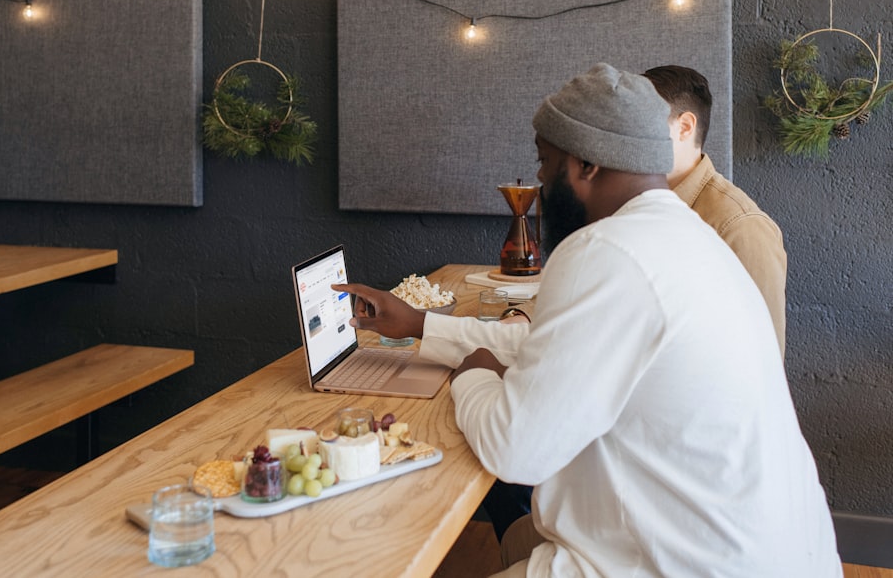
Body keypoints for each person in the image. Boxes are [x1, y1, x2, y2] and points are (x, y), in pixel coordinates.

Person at [334, 63, 840, 577]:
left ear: (585, 166)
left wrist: (474, 375)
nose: (537, 178)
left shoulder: (604, 249)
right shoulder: (692, 237)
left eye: (544, 160)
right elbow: (551, 347)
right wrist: (422, 325)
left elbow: (515, 450)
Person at [643, 65, 788, 357]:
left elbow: (762, 358)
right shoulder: (640, 206)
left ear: (685, 126)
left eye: (640, 124)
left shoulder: (740, 226)